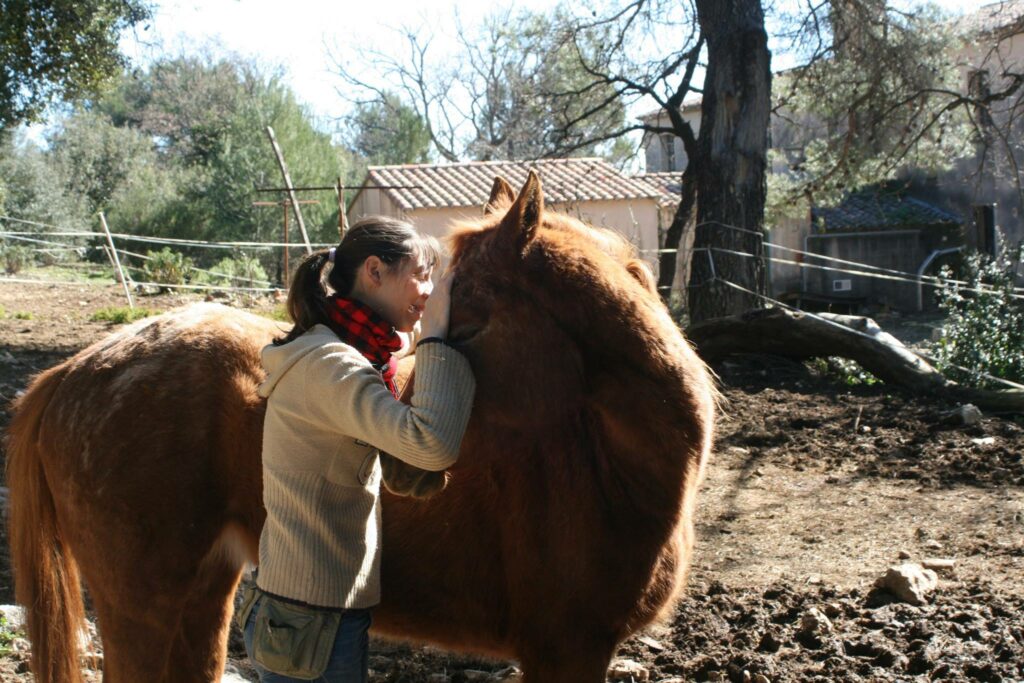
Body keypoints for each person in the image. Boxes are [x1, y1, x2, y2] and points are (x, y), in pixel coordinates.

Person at [239, 217, 476, 683]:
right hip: (313, 623)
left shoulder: (350, 354)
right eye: (421, 273)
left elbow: (398, 464)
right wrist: (435, 337)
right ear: (374, 271)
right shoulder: (332, 364)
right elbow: (431, 445)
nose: (429, 290)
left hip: (311, 616)